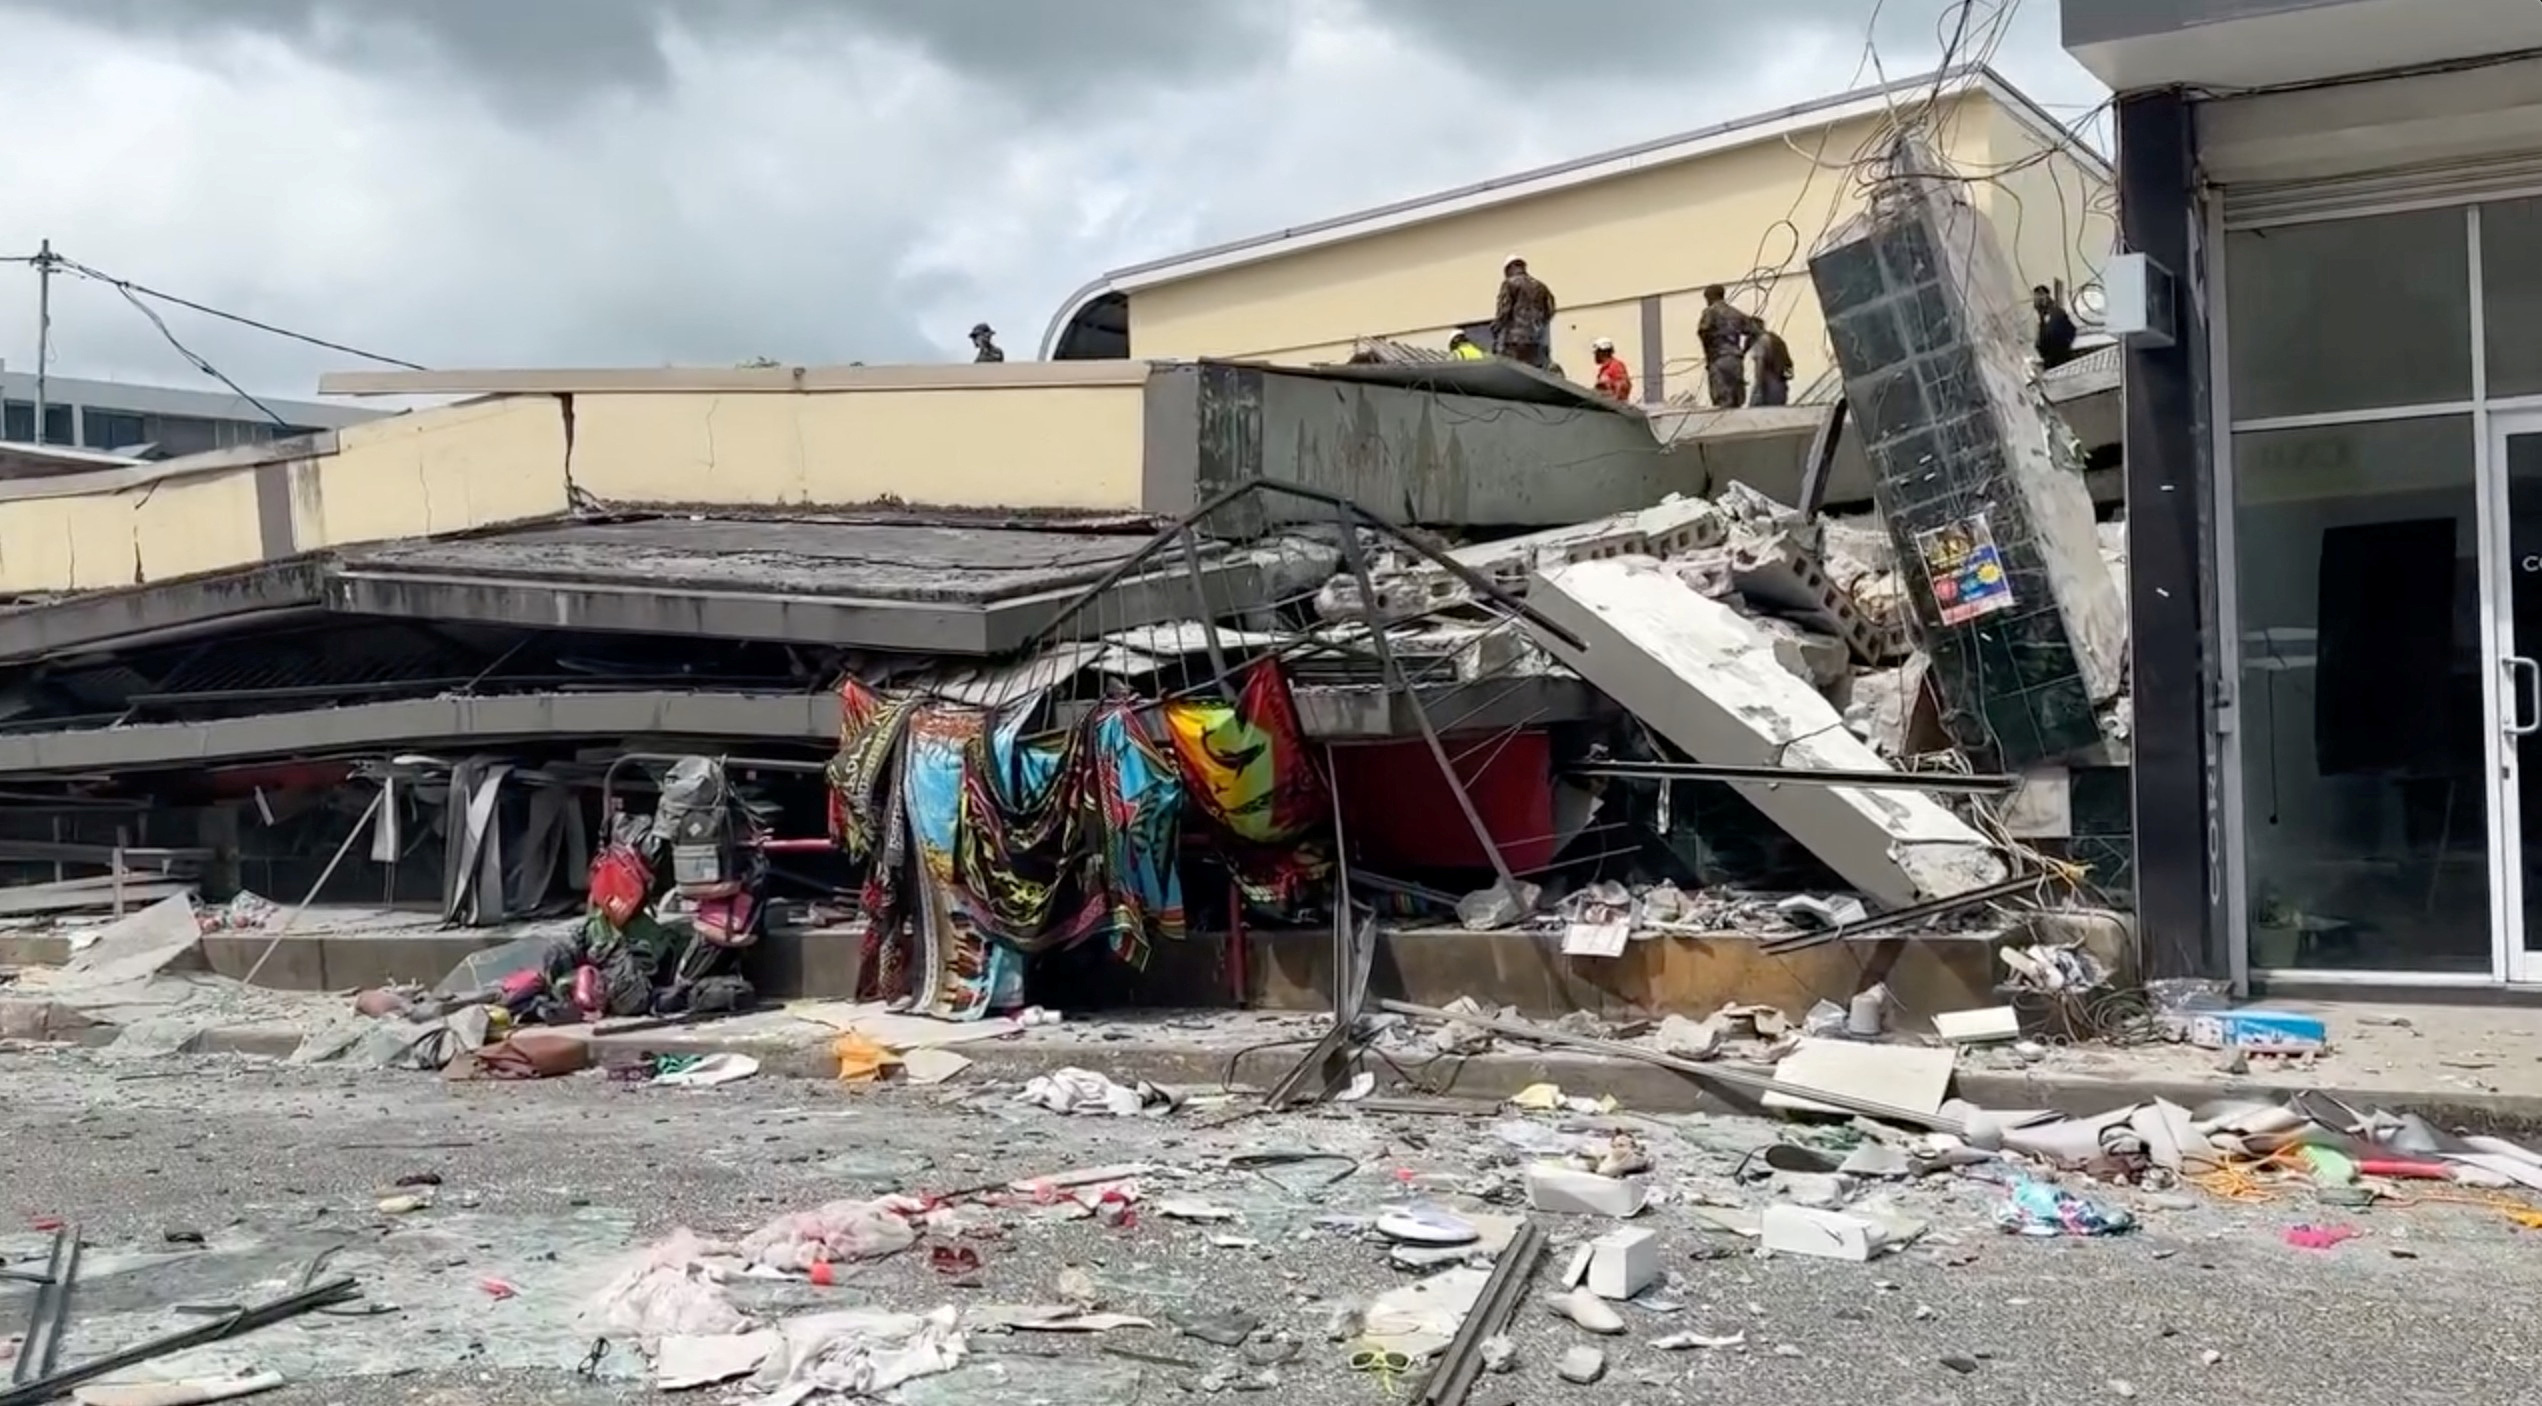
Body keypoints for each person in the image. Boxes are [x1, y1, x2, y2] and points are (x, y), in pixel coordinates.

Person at [1696, 284, 1759, 408]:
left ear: (1710, 297)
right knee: (1737, 400)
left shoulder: (1710, 312)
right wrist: (1743, 351)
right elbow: (1756, 331)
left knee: (1722, 401)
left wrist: (1709, 357)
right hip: (1735, 359)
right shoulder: (1735, 313)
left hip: (1718, 359)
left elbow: (1703, 333)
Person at [1491, 256, 1556, 370]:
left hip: (1514, 340)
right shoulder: (1541, 286)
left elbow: (1504, 310)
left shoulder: (1509, 283)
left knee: (1514, 373)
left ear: (1509, 268)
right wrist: (1540, 324)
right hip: (1536, 340)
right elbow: (1550, 310)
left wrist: (1495, 327)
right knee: (1533, 372)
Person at [2032, 286, 2078, 369]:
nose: (2038, 299)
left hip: (2057, 355)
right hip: (2052, 355)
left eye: (2041, 296)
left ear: (2047, 296)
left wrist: (2064, 346)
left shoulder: (2054, 312)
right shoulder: (2041, 314)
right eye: (2036, 297)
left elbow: (2070, 330)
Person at [1751, 326, 1795, 407]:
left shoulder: (1760, 341)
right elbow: (1789, 366)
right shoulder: (1777, 340)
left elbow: (1760, 365)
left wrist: (1758, 388)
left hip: (1768, 387)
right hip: (1781, 386)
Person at [1590, 337, 1633, 402]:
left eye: (1597, 353)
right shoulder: (1604, 369)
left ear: (1604, 352)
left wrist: (1614, 399)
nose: (1595, 356)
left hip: (1614, 408)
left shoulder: (1616, 366)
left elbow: (1623, 386)